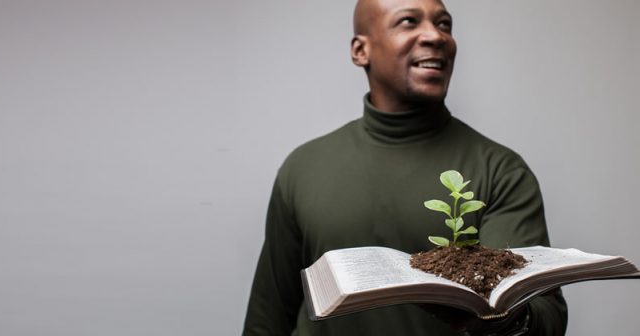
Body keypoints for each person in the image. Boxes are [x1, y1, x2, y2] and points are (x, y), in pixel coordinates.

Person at [243, 0, 568, 335]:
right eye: (409, 21)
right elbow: (267, 318)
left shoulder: (501, 172)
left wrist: (508, 318)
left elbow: (547, 318)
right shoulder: (303, 168)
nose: (436, 36)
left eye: (444, 24)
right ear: (361, 50)